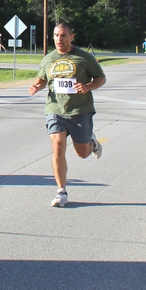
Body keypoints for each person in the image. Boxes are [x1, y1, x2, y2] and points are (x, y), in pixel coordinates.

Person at [29, 23, 106, 207]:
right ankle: (61, 191)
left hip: (80, 110)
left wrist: (87, 86)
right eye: (56, 35)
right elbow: (42, 80)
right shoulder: (48, 59)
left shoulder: (84, 57)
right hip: (55, 109)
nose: (59, 39)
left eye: (63, 35)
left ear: (72, 37)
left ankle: (91, 143)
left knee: (82, 153)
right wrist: (36, 86)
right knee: (57, 145)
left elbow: (101, 78)